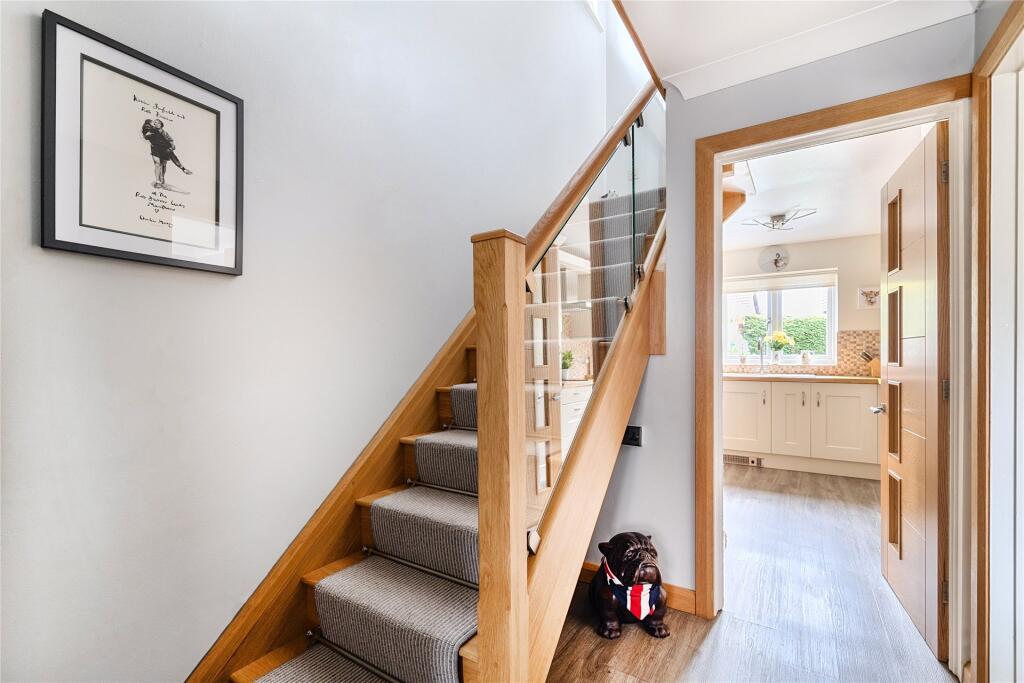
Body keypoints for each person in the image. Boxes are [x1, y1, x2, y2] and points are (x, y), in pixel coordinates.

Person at [141, 118, 191, 188]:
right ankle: (157, 181)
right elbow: (145, 135)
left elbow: (171, 141)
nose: (156, 124)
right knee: (157, 164)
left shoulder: (164, 132)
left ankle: (163, 176)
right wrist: (148, 134)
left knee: (164, 165)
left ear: (161, 124)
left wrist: (172, 147)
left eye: (158, 123)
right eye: (155, 122)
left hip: (165, 149)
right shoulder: (150, 129)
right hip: (155, 149)